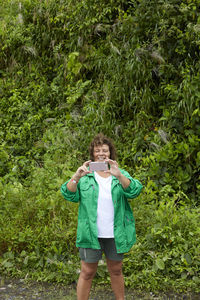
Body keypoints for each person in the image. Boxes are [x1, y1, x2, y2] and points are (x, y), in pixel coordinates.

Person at [60, 133, 143, 300]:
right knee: (87, 271)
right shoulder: (86, 175)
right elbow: (68, 194)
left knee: (116, 270)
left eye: (104, 150)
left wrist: (118, 175)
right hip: (91, 233)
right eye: (97, 150)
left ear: (110, 152)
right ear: (92, 154)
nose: (101, 153)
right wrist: (76, 176)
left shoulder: (119, 173)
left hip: (115, 232)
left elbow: (135, 190)